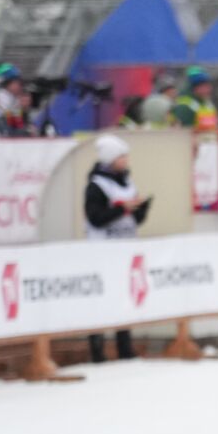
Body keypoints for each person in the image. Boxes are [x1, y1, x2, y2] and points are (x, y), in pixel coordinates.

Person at [84, 135, 150, 362]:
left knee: (124, 298)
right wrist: (123, 209)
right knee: (101, 301)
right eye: (122, 156)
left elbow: (135, 219)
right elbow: (95, 218)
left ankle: (125, 348)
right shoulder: (97, 186)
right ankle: (98, 351)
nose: (126, 160)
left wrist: (140, 208)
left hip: (125, 250)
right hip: (103, 251)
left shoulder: (128, 182)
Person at [0, 63, 31, 136]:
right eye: (17, 83)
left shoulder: (12, 96)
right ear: (8, 84)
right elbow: (12, 119)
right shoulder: (2, 95)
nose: (20, 87)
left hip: (7, 127)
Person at [172, 66, 218, 132]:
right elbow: (181, 131)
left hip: (209, 140)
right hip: (192, 141)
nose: (209, 89)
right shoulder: (185, 106)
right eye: (206, 86)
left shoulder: (207, 102)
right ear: (196, 87)